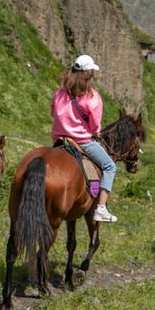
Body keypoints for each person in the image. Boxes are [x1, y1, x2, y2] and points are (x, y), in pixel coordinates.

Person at [50, 54, 117, 223]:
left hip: (59, 141)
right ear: (89, 74)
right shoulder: (92, 96)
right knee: (110, 166)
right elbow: (95, 125)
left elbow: (53, 113)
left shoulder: (59, 92)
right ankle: (101, 208)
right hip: (82, 142)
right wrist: (95, 131)